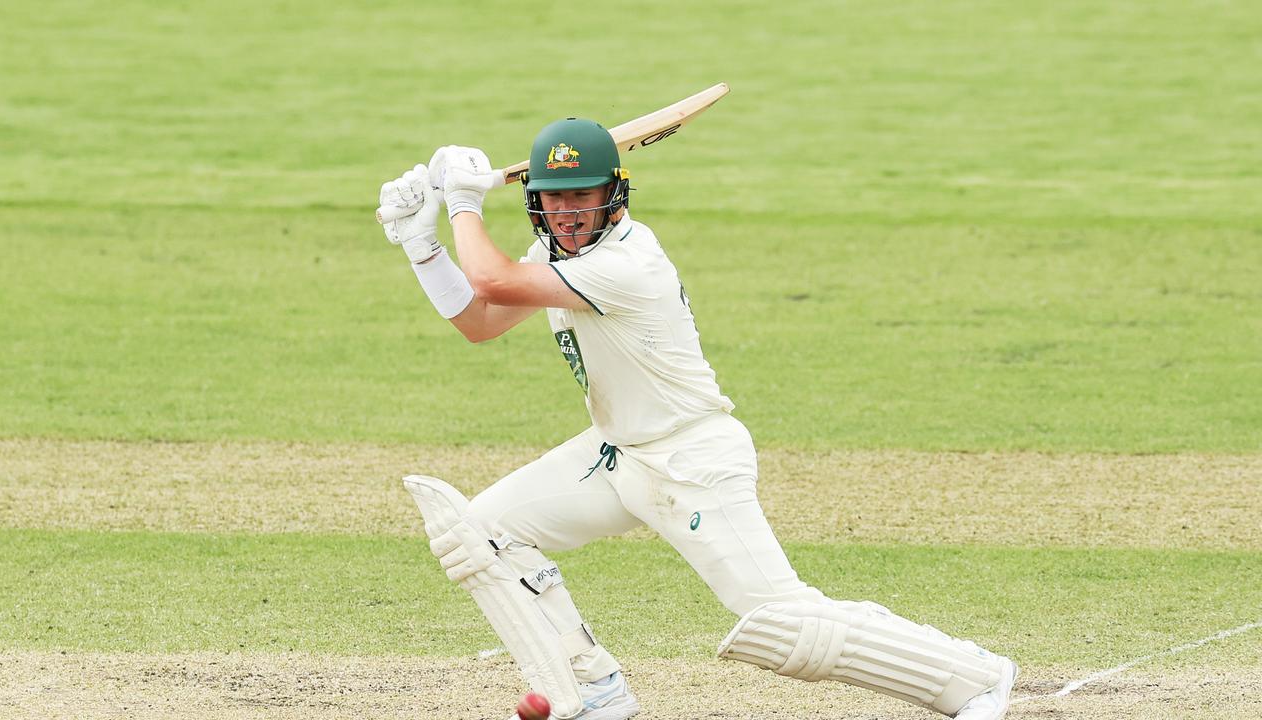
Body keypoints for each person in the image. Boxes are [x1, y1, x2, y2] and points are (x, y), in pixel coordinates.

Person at [378, 118, 1018, 720]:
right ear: (535, 203)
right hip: (617, 456)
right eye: (554, 199)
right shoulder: (555, 254)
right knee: (482, 531)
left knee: (781, 621)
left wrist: (463, 202)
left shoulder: (627, 264)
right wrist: (421, 244)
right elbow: (479, 323)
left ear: (615, 194)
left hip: (692, 460)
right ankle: (593, 685)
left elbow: (491, 283)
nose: (568, 214)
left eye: (583, 197)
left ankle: (973, 676)